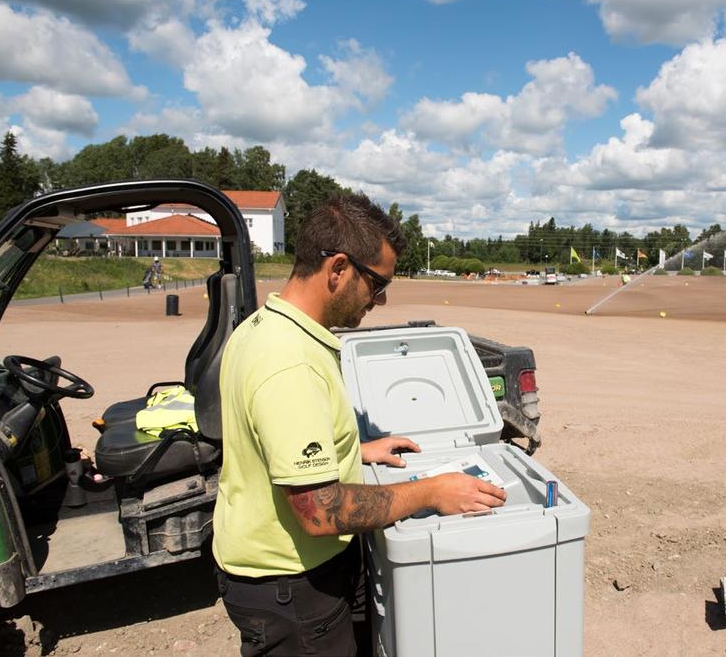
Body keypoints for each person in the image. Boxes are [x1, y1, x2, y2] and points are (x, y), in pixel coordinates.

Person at [213, 192, 506, 656]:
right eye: (377, 284)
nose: (381, 299)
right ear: (338, 269)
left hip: (284, 576)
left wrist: (354, 451)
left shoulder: (262, 328)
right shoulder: (289, 363)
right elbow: (319, 510)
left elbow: (265, 440)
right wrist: (431, 491)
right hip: (290, 586)